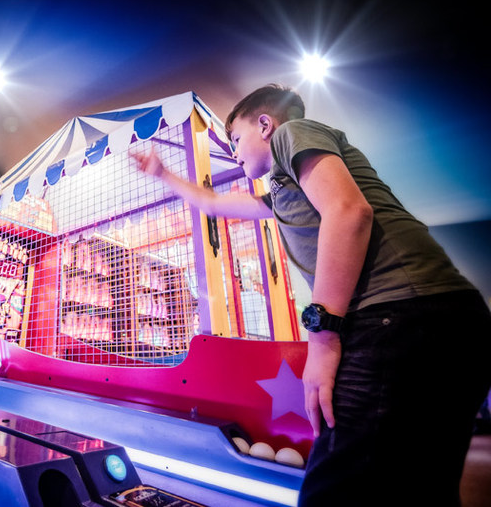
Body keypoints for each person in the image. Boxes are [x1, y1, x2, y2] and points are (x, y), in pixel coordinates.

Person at [132, 84, 491, 506]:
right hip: (448, 317)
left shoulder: (291, 133)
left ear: (265, 124)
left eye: (235, 139)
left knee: (333, 488)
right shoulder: (283, 192)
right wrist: (163, 174)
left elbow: (349, 212)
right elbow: (213, 204)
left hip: (399, 317)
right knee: (420, 483)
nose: (232, 152)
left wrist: (323, 337)